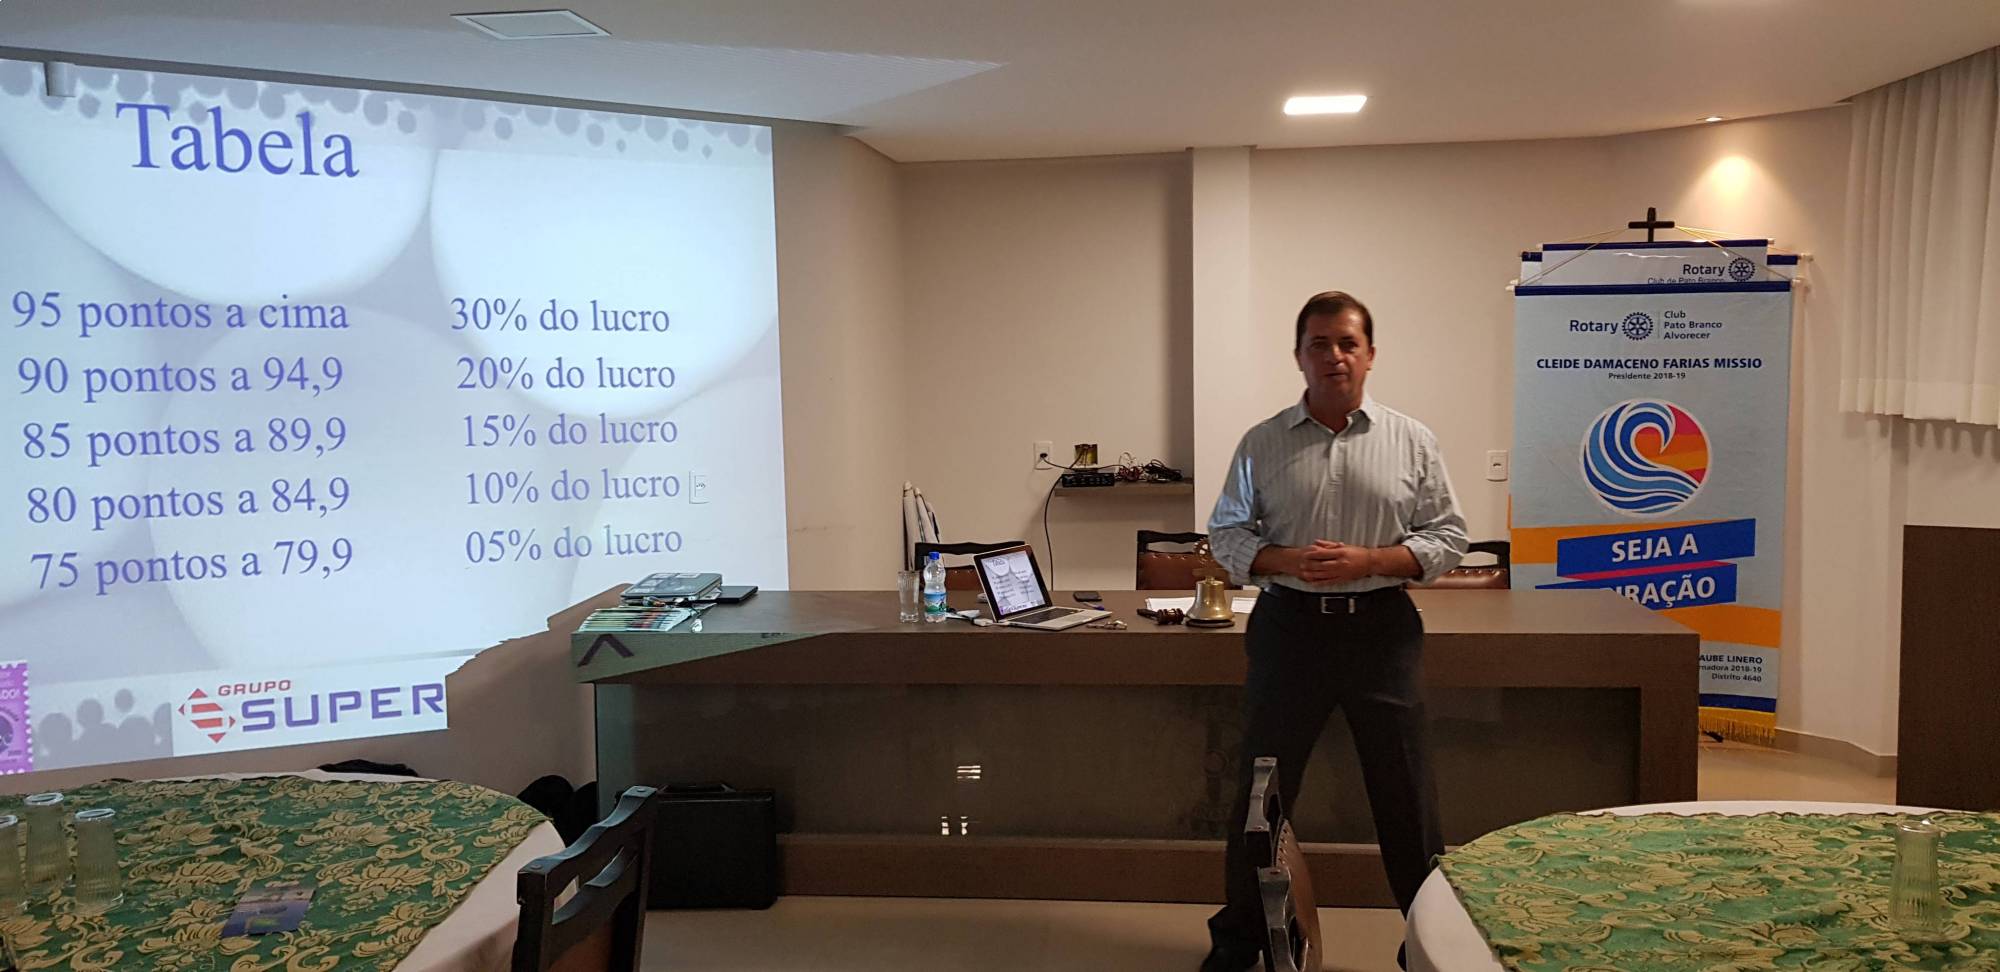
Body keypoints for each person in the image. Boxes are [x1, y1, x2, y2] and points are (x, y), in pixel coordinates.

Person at [1200, 291, 1468, 972]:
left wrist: (1371, 560)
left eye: (1348, 343)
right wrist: (1286, 560)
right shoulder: (1261, 443)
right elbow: (1225, 532)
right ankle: (1240, 939)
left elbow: (1449, 536)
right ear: (1299, 356)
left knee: (1406, 796)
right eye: (1319, 344)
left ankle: (1431, 941)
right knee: (1261, 795)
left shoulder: (1412, 440)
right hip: (1289, 630)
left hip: (1382, 632)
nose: (1335, 356)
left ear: (1370, 355)